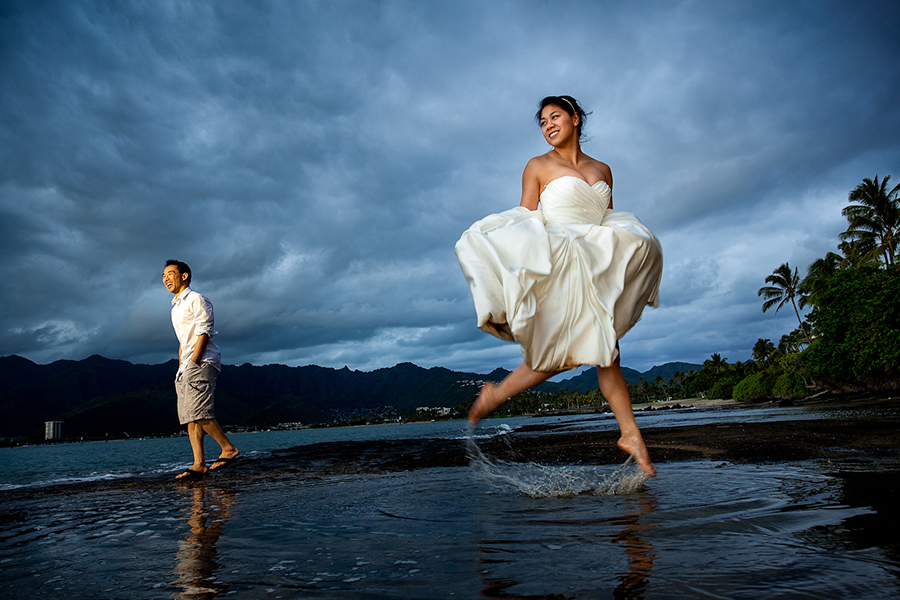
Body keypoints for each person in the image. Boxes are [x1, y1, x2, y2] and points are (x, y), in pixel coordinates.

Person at [454, 96, 663, 476]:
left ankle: (630, 435)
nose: (549, 125)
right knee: (574, 350)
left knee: (604, 348)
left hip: (594, 262)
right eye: (543, 121)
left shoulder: (603, 169)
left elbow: (608, 217)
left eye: (555, 117)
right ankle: (496, 394)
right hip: (559, 260)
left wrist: (634, 248)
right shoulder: (537, 165)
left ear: (575, 119)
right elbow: (525, 217)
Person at [163, 260, 239, 480]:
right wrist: (181, 366)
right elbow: (182, 340)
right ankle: (199, 463)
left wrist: (194, 361)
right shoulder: (175, 306)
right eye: (163, 275)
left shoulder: (196, 299)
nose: (166, 278)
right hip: (186, 366)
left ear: (184, 276)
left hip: (202, 362)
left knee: (199, 411)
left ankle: (228, 449)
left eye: (170, 273)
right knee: (190, 417)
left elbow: (204, 331)